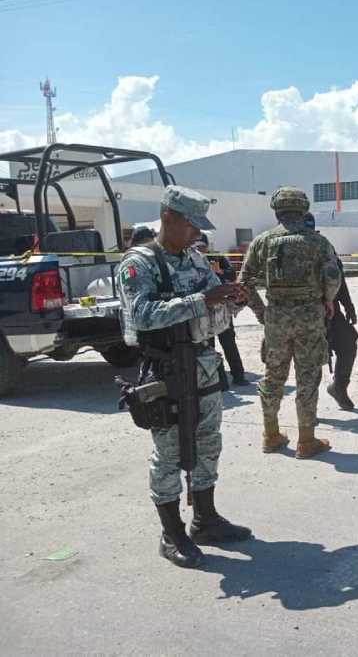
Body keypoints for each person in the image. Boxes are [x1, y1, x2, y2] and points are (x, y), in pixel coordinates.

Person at [117, 186, 252, 569]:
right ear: (167, 218)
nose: (197, 234)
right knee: (170, 454)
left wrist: (233, 299)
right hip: (165, 371)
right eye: (192, 225)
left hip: (204, 366)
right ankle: (171, 531)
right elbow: (141, 314)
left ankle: (205, 520)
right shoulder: (139, 263)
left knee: (208, 443)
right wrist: (202, 300)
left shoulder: (194, 260)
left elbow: (213, 301)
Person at [239, 186, 342, 457]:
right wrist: (328, 299)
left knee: (274, 376)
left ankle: (271, 434)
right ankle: (306, 440)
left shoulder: (262, 241)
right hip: (310, 317)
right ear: (304, 209)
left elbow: (244, 282)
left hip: (276, 320)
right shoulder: (318, 242)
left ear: (276, 209)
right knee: (307, 377)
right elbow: (332, 276)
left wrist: (263, 313)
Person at [303, 212, 358, 410]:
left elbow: (338, 277)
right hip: (302, 315)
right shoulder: (282, 246)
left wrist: (348, 305)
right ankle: (308, 409)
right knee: (309, 360)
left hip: (331, 311)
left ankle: (339, 387)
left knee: (348, 344)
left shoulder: (324, 245)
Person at [193, 232, 249, 387]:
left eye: (203, 247)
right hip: (205, 311)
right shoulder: (191, 261)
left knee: (229, 343)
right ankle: (220, 380)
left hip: (222, 309)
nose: (200, 250)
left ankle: (238, 375)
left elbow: (231, 274)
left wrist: (220, 273)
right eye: (197, 247)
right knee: (208, 347)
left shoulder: (216, 258)